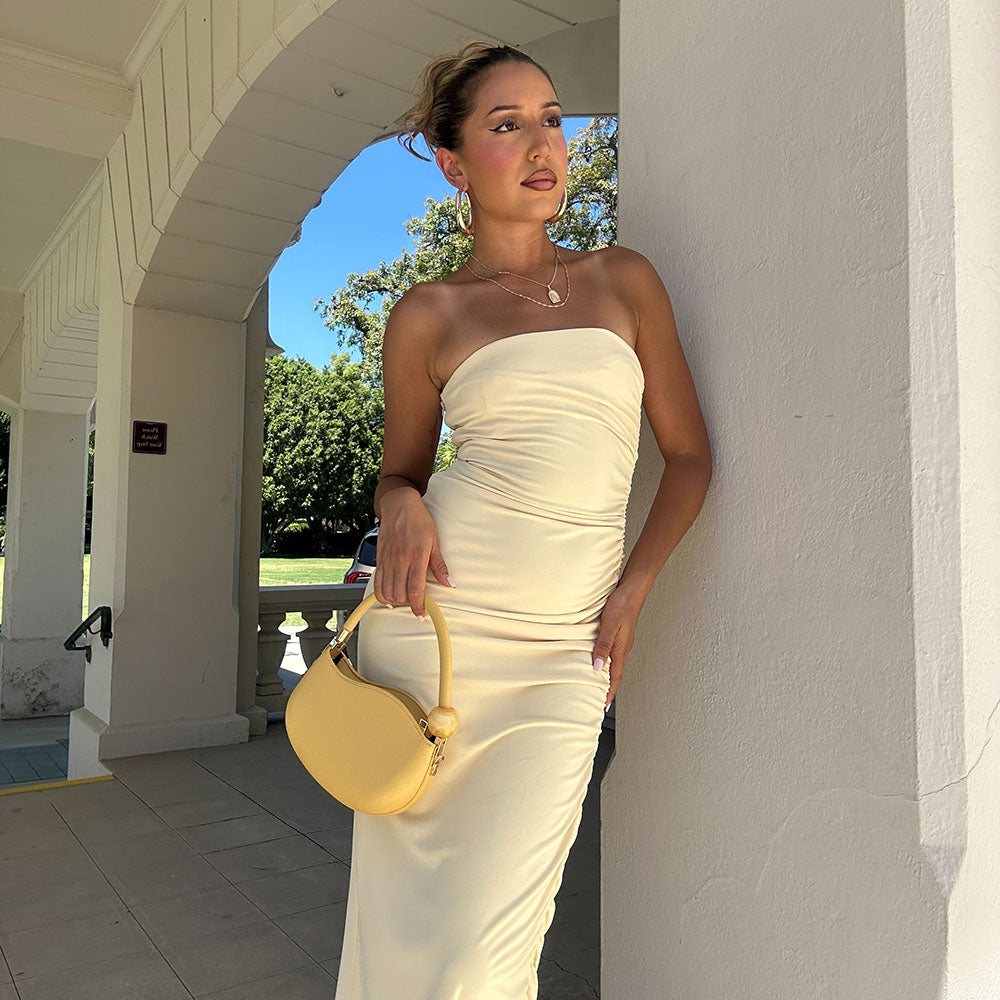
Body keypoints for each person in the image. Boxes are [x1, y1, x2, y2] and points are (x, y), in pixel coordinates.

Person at [333, 41, 712, 1000]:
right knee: (411, 926)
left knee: (492, 942)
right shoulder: (429, 313)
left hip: (563, 651)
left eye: (552, 117)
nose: (545, 143)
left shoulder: (624, 280)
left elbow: (691, 456)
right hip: (436, 635)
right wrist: (401, 501)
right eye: (508, 125)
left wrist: (632, 589)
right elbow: (398, 472)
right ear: (455, 162)